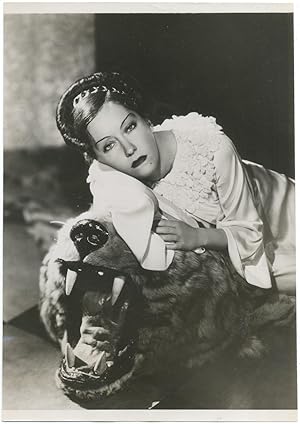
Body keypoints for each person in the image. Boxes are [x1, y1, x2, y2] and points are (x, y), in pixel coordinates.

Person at [56, 71, 295, 295]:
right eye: (109, 145)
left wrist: (197, 237)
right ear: (98, 159)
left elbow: (249, 232)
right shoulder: (111, 175)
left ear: (146, 120)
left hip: (284, 221)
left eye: (130, 127)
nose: (129, 149)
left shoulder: (211, 147)